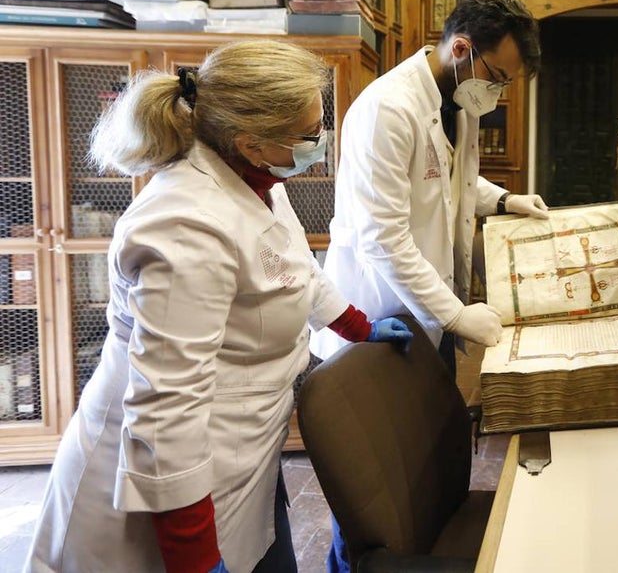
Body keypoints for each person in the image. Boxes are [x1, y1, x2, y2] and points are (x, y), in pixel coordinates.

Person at [25, 40, 412, 573]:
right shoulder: (185, 224)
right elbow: (166, 410)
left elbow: (294, 267)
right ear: (250, 141)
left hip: (241, 446)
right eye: (310, 134)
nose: (321, 143)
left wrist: (358, 326)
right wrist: (194, 556)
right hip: (164, 479)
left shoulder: (258, 179)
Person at [309, 0, 547, 572]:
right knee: (375, 497)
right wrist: (458, 314)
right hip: (376, 320)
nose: (498, 93)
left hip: (425, 317)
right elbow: (383, 237)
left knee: (425, 469)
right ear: (461, 48)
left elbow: (453, 187)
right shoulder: (387, 109)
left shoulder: (455, 104)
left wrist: (505, 199)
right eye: (497, 77)